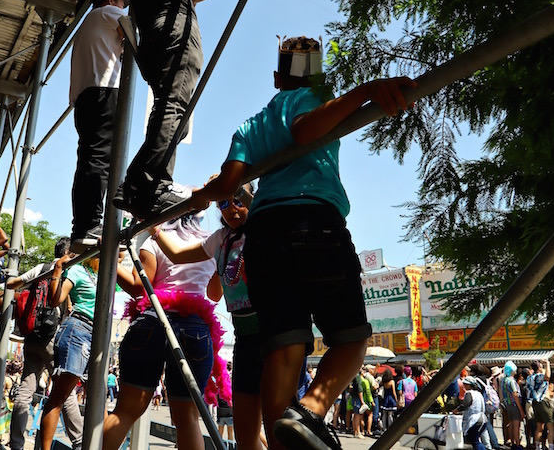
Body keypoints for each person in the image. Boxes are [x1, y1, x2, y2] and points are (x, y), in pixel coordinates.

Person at [189, 35, 414, 449]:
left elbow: (228, 183)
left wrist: (204, 197)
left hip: (264, 234)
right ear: (320, 78)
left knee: (287, 344)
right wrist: (366, 91)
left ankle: (284, 440)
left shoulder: (250, 126)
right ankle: (309, 411)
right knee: (351, 337)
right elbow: (305, 130)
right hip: (312, 221)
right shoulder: (314, 97)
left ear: (276, 78)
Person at [113, 0, 224, 219]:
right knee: (175, 108)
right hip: (176, 30)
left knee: (170, 110)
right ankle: (149, 185)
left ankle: (139, 186)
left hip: (151, 37)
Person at [151, 182, 265, 450]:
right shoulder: (221, 239)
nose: (232, 209)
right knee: (246, 435)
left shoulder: (264, 224)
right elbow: (182, 260)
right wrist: (153, 229)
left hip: (273, 333)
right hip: (245, 336)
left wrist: (233, 180)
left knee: (274, 423)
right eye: (223, 203)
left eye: (238, 199)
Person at [103, 212, 228, 450]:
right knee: (187, 418)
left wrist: (109, 263)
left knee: (126, 411)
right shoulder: (211, 243)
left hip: (152, 321)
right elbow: (214, 294)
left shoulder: (156, 240)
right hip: (196, 328)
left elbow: (139, 288)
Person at [39, 250, 131, 450]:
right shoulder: (79, 270)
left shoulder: (108, 274)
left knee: (99, 399)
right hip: (78, 330)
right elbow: (56, 300)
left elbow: (128, 278)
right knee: (60, 395)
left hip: (100, 335)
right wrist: (58, 269)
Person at [8, 237, 84, 450]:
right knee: (64, 391)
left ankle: (16, 444)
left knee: (25, 391)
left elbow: (11, 284)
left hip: (32, 336)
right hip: (53, 338)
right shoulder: (67, 271)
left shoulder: (41, 268)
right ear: (69, 253)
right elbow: (68, 307)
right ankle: (79, 443)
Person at [69, 0, 129, 249]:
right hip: (103, 91)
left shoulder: (85, 27)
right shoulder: (106, 13)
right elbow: (133, 33)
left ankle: (82, 226)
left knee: (88, 159)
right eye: (121, 4)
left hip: (84, 98)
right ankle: (93, 223)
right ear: (111, 0)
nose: (121, 9)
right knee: (101, 160)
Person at [454, 376, 486, 450]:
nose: (464, 385)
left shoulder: (469, 393)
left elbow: (465, 405)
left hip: (475, 420)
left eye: (465, 384)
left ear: (469, 385)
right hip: (482, 418)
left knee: (475, 441)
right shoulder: (478, 393)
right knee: (475, 440)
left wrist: (456, 410)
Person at [501, 361, 525, 450]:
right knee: (516, 425)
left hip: (508, 405)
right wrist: (521, 409)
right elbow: (515, 394)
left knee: (511, 424)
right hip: (514, 404)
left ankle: (512, 442)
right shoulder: (511, 380)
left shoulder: (504, 380)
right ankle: (517, 444)